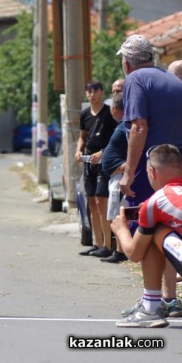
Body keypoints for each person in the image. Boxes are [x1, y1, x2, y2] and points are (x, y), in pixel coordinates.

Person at [117, 35, 182, 317]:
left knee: (149, 228)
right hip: (177, 159)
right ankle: (169, 298)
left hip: (157, 162)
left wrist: (128, 173)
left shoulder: (136, 80)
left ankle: (151, 302)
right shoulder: (172, 79)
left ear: (127, 62)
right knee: (170, 229)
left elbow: (139, 128)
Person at [111, 144, 182, 328]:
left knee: (152, 231)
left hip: (152, 213)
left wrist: (121, 230)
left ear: (151, 171)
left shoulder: (156, 201)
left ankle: (150, 308)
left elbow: (134, 254)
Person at [76, 81, 118, 258]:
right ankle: (97, 243)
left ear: (101, 92)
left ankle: (108, 245)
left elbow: (115, 139)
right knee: (92, 201)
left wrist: (102, 153)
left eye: (95, 90)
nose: (91, 94)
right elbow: (82, 137)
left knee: (102, 200)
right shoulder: (85, 114)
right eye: (88, 91)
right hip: (88, 162)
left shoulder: (109, 113)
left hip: (104, 161)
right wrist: (78, 150)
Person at [99, 88, 128, 263]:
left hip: (119, 175)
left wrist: (126, 167)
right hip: (115, 175)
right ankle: (119, 249)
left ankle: (120, 251)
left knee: (118, 214)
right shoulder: (122, 125)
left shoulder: (126, 125)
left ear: (115, 109)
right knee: (116, 214)